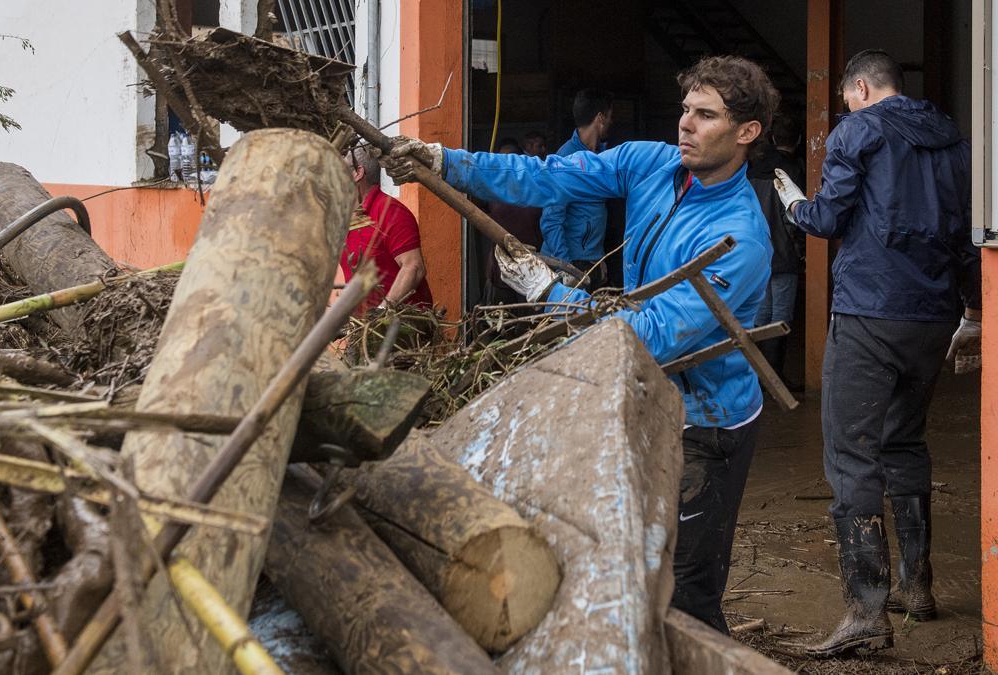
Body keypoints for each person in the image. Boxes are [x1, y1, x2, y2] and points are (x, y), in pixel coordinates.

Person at [383, 55, 778, 634]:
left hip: (706, 423)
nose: (685, 125)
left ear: (747, 133)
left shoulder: (737, 237)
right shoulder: (653, 164)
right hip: (641, 395)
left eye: (706, 115)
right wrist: (448, 163)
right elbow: (550, 176)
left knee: (686, 592)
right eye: (686, 109)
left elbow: (650, 337)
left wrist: (550, 292)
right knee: (633, 560)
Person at [773, 49, 980, 657]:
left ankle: (866, 607)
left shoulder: (857, 130)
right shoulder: (955, 144)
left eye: (845, 98)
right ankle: (917, 587)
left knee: (850, 453)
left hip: (870, 311)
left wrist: (792, 204)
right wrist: (971, 311)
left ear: (860, 88)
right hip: (933, 315)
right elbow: (971, 231)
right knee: (904, 442)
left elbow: (829, 219)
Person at [747, 114, 804, 388]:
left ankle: (755, 377)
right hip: (784, 257)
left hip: (757, 255)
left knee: (760, 315)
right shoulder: (795, 171)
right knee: (781, 316)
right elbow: (794, 219)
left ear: (771, 138)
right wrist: (801, 251)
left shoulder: (753, 169)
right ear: (800, 140)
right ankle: (775, 379)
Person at [342, 145, 434, 311]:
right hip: (365, 331)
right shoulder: (348, 218)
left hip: (402, 329)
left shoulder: (389, 211)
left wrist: (382, 312)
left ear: (358, 173)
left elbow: (414, 267)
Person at [539, 89, 614, 288]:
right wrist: (566, 268)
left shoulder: (603, 157)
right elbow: (550, 220)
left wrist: (598, 258)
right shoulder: (567, 160)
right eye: (610, 116)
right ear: (600, 118)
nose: (611, 122)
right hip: (569, 264)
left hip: (589, 260)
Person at [482, 138, 543, 308]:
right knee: (499, 326)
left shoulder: (535, 189)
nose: (503, 164)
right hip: (499, 271)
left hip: (532, 269)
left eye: (508, 159)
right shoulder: (492, 189)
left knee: (530, 325)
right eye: (500, 159)